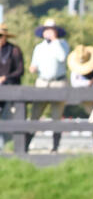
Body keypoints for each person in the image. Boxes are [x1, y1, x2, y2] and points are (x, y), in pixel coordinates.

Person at [28, 18, 70, 152]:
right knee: (35, 114)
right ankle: (25, 145)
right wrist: (33, 68)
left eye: (51, 30)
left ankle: (55, 147)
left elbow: (62, 58)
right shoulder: (39, 47)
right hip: (43, 81)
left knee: (56, 116)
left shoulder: (62, 44)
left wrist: (55, 41)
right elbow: (34, 64)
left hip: (58, 82)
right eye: (47, 30)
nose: (49, 33)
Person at [0, 24, 25, 153]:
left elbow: (20, 70)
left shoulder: (14, 50)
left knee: (11, 116)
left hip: (11, 88)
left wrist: (6, 77)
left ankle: (11, 146)